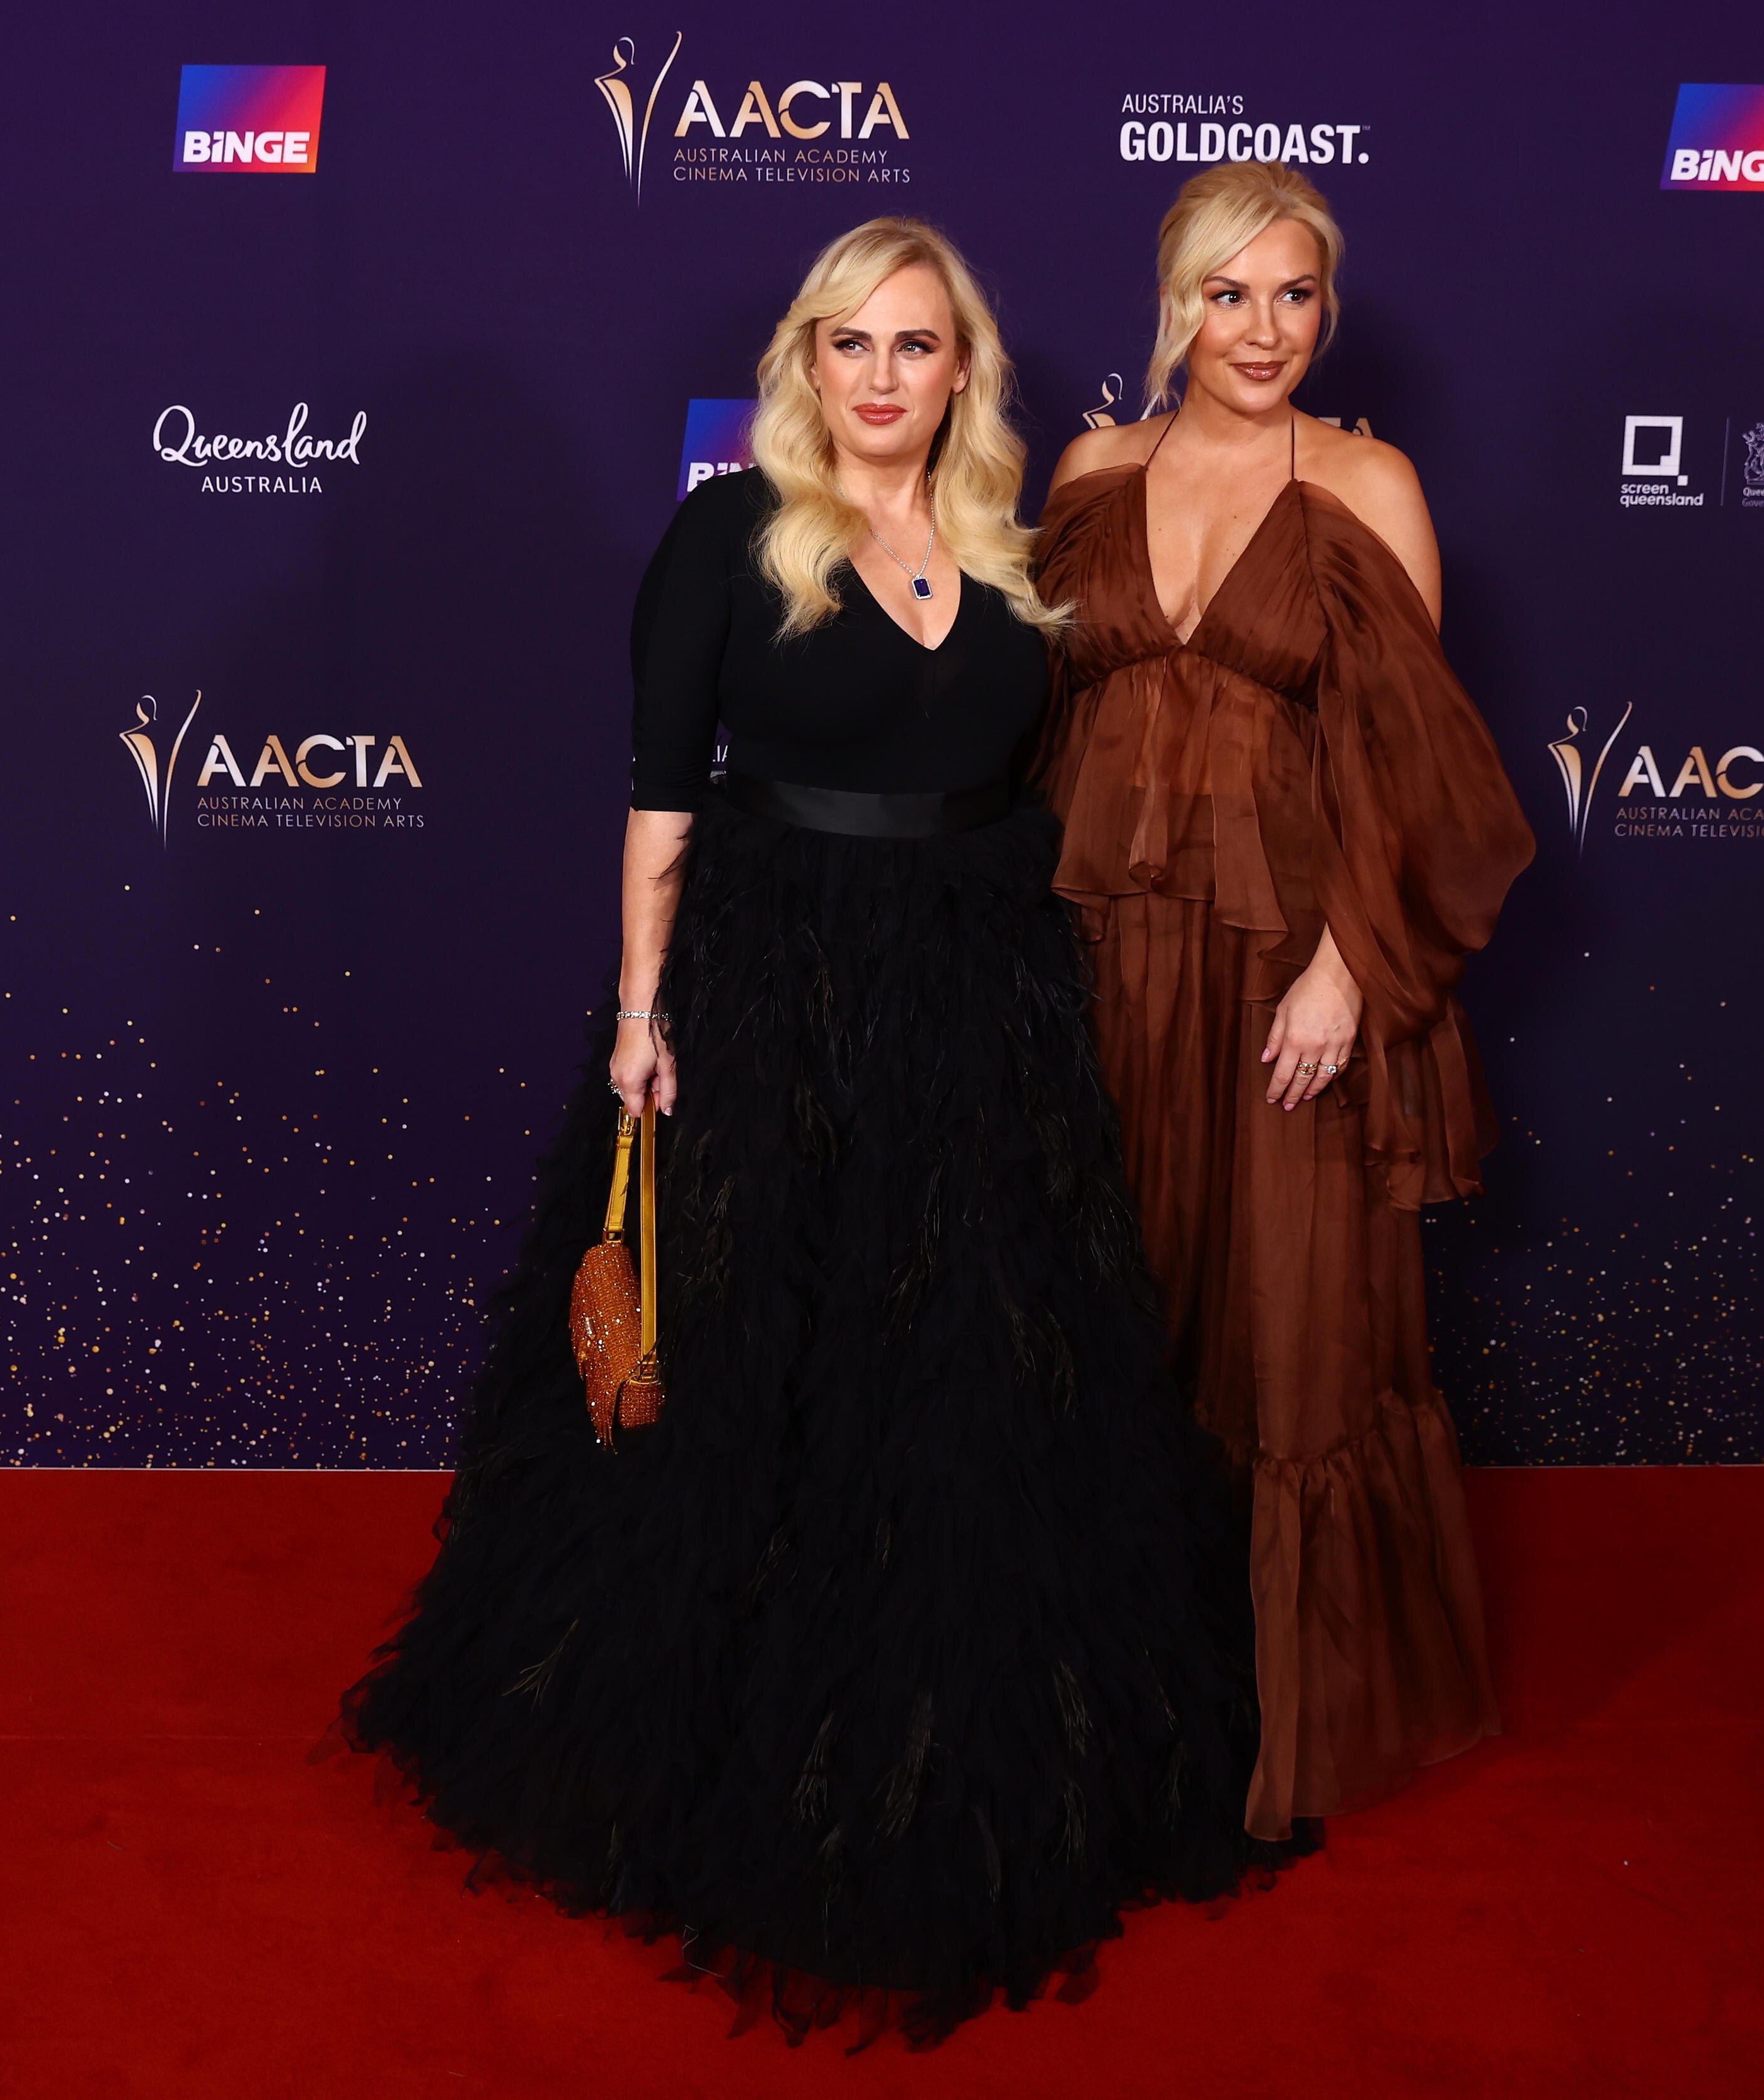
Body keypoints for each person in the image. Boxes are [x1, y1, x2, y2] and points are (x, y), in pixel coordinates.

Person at [344, 218, 1299, 2048]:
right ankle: (703, 1755)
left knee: (956, 1375)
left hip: (979, 1002)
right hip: (775, 997)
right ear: (807, 364)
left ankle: (946, 1731)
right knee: (757, 1379)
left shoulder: (1020, 550)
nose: (880, 377)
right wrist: (640, 1016)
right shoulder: (728, 536)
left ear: (964, 373)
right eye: (849, 344)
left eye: (916, 346)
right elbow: (657, 794)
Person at [1036, 163, 1535, 1842]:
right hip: (1101, 964)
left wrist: (1346, 965)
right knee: (1118, 1305)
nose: (1263, 331)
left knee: (1292, 1326)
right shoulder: (1092, 472)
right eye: (1228, 295)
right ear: (1174, 303)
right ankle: (1114, 1690)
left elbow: (1416, 764)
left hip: (1284, 980)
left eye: (1296, 295)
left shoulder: (1370, 484)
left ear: (1331, 310)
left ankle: (1278, 1721)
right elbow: (1026, 729)